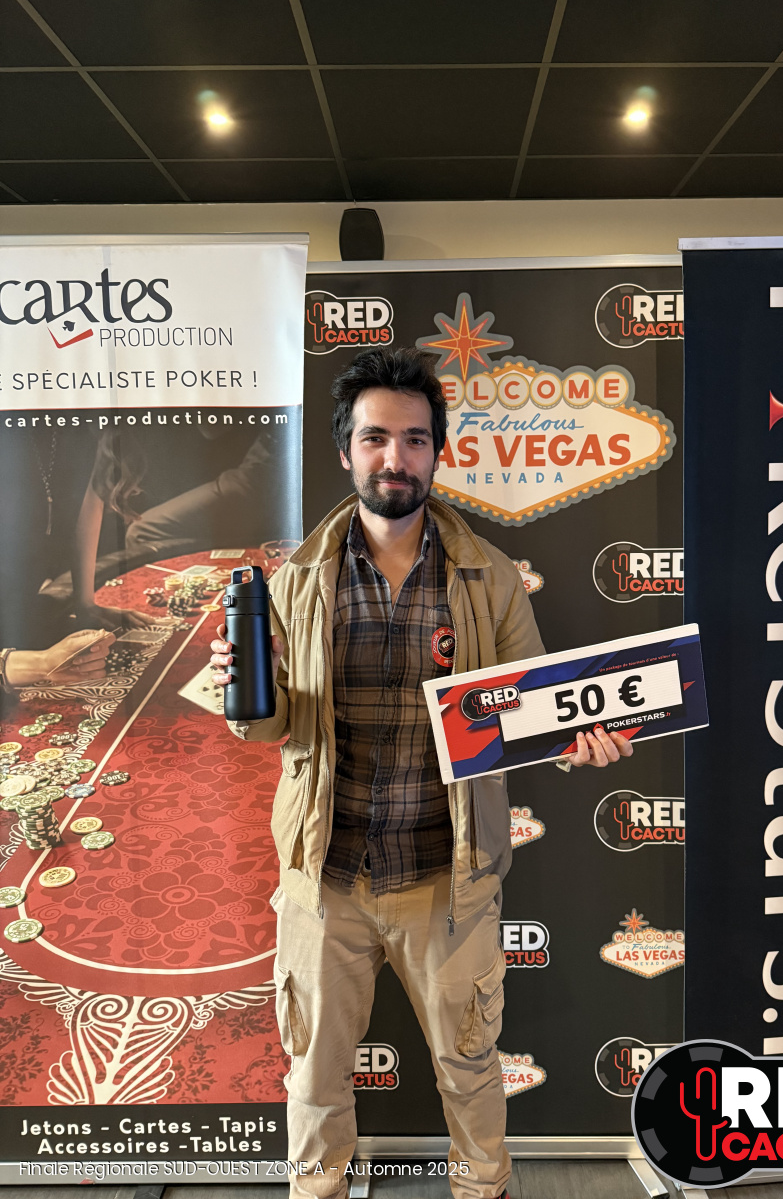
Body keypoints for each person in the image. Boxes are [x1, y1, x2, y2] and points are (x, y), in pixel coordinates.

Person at [208, 347, 634, 1199]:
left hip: (449, 878)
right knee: (314, 1081)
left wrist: (578, 740)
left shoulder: (490, 577)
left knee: (471, 1072)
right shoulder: (295, 583)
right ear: (346, 452)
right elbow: (269, 728)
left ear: (438, 452)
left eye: (413, 439)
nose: (395, 458)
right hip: (323, 879)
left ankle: (483, 1189)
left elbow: (531, 710)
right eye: (375, 438)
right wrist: (242, 690)